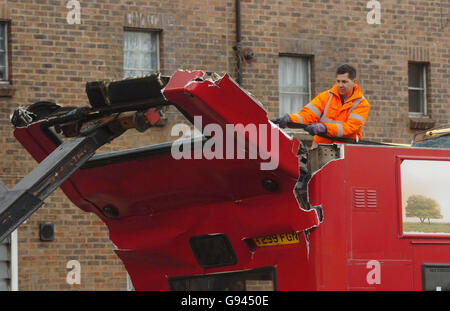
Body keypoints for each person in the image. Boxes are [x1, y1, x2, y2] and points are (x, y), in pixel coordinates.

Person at [277, 64, 370, 149]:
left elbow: (350, 128)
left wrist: (325, 128)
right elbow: (308, 115)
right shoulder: (325, 97)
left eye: (344, 82)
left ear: (354, 82)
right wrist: (290, 119)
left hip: (345, 155)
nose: (340, 85)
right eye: (338, 81)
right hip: (319, 152)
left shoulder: (362, 104)